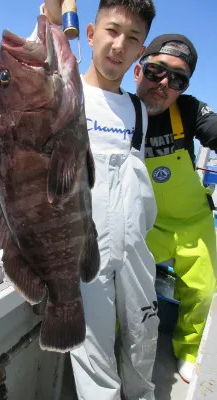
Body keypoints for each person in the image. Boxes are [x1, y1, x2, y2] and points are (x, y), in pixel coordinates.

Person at [0, 1, 159, 399]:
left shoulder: (140, 110)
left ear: (141, 50)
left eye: (132, 38)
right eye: (112, 31)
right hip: (83, 256)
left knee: (143, 345)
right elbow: (21, 133)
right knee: (96, 370)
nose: (119, 45)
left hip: (133, 255)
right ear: (90, 33)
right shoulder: (70, 91)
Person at [134, 34, 217, 383]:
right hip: (147, 223)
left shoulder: (189, 110)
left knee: (201, 291)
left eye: (177, 79)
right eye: (156, 71)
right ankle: (126, 342)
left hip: (195, 221)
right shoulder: (117, 110)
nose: (164, 83)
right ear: (138, 69)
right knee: (128, 286)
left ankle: (187, 349)